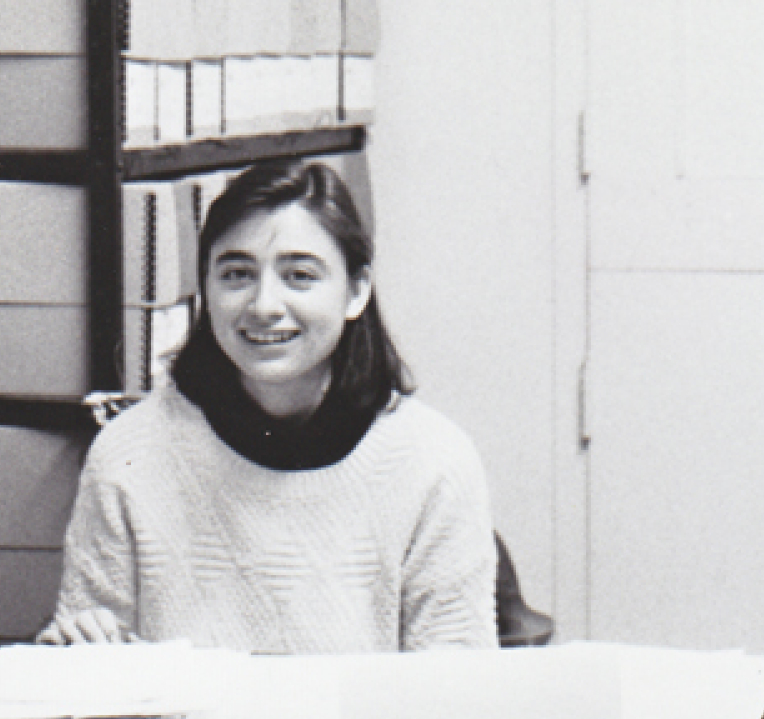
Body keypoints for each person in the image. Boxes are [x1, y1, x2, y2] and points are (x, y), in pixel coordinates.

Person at [38, 159, 498, 653]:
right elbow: (93, 678)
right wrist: (73, 653)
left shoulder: (433, 462)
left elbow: (454, 692)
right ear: (205, 291)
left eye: (299, 276)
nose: (264, 306)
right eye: (236, 274)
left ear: (357, 290)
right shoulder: (129, 454)